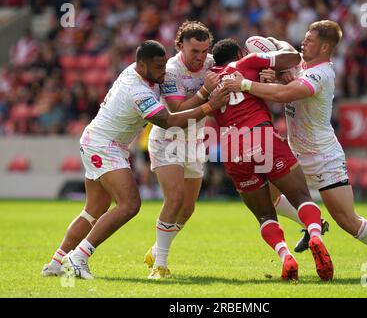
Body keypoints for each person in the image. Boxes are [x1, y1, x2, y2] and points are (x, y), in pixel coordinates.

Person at [224, 20, 367, 278]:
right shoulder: (302, 64)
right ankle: (312, 224)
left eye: (310, 40)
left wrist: (246, 84)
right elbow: (286, 56)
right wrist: (274, 52)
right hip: (295, 152)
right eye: (305, 38)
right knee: (269, 195)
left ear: (325, 47)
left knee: (347, 220)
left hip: (323, 156)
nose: (304, 43)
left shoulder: (321, 73)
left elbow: (285, 95)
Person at [41, 40, 229, 279]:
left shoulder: (146, 74)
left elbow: (177, 104)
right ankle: (78, 257)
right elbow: (169, 121)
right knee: (129, 204)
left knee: (94, 210)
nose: (164, 72)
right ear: (141, 65)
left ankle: (57, 262)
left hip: (101, 141)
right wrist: (209, 104)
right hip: (103, 145)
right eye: (159, 67)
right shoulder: (137, 89)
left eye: (164, 65)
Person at [210, 38, 334, 281]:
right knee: (301, 196)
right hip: (260, 135)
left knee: (265, 215)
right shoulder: (247, 61)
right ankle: (315, 234)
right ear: (240, 52)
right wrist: (277, 45)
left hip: (232, 148)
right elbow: (293, 58)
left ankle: (285, 255)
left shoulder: (208, 82)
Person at [143, 21, 220, 279]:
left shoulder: (212, 63)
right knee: (174, 199)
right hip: (168, 138)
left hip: (196, 141)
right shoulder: (172, 69)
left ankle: (157, 249)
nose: (200, 57)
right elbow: (176, 110)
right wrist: (207, 91)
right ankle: (160, 265)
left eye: (203, 51)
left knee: (187, 209)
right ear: (180, 46)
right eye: (194, 51)